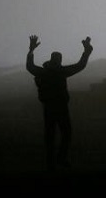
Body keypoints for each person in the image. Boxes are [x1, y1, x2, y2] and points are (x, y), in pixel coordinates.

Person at [26, 34, 93, 171]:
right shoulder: (61, 72)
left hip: (49, 107)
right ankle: (59, 159)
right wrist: (86, 51)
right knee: (65, 133)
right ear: (59, 60)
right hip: (60, 107)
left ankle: (51, 162)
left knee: (51, 134)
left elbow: (30, 66)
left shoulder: (43, 72)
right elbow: (80, 65)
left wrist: (31, 50)